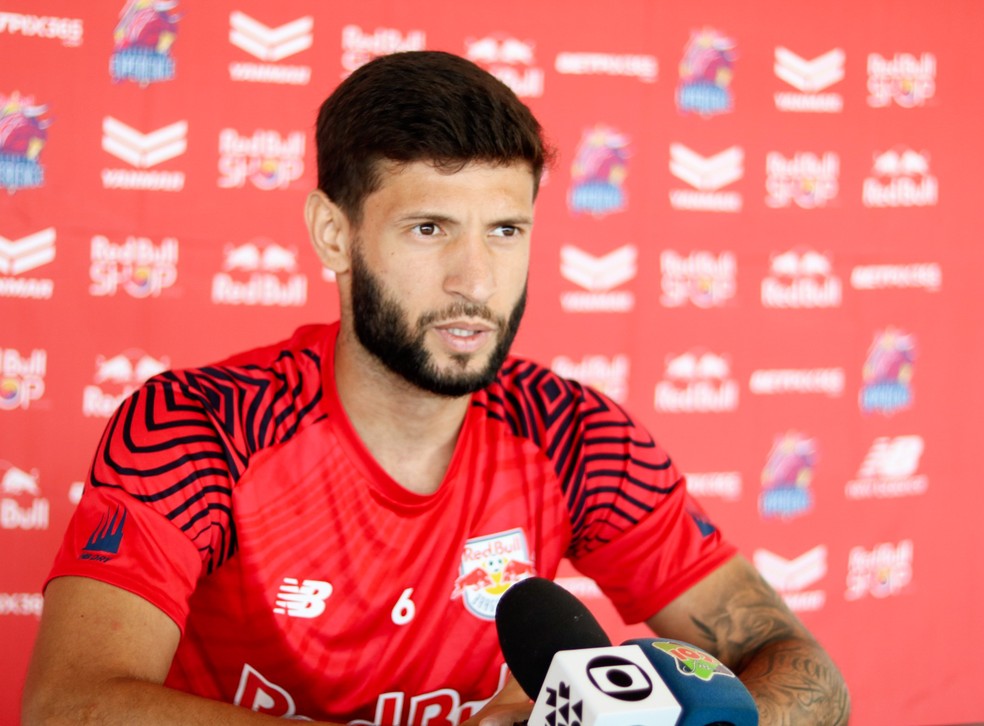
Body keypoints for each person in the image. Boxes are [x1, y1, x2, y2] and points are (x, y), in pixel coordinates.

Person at [22, 51, 849, 725]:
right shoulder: (199, 423)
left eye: (505, 230)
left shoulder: (575, 434)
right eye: (430, 228)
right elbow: (70, 704)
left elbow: (806, 673)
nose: (474, 279)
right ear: (332, 234)